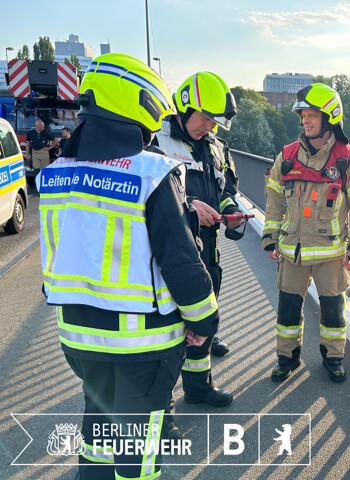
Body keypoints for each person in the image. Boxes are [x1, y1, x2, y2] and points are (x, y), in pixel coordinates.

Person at [36, 53, 220, 480]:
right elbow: (180, 260)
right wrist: (204, 320)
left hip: (78, 337)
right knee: (137, 456)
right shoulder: (151, 173)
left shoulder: (58, 172)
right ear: (139, 104)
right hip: (141, 345)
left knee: (98, 431)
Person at [263, 83, 350, 382]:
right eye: (303, 115)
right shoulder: (287, 156)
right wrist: (270, 235)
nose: (305, 120)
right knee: (287, 311)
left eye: (312, 115)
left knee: (334, 314)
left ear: (329, 118)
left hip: (332, 255)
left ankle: (333, 358)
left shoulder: (348, 159)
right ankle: (286, 359)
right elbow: (274, 200)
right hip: (292, 251)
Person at [154, 71, 241, 410]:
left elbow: (226, 191)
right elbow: (148, 201)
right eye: (205, 117)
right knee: (170, 331)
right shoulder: (156, 142)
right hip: (171, 254)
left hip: (207, 251)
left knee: (202, 324)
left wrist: (231, 212)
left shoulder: (217, 146)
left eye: (214, 121)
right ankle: (161, 407)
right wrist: (188, 206)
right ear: (185, 107)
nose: (209, 126)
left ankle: (198, 387)